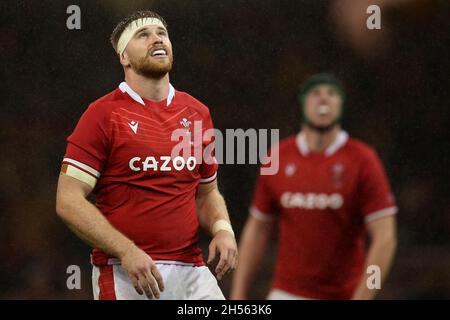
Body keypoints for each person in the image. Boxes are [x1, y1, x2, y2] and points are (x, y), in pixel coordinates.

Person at [55, 10, 237, 300]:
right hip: (127, 272)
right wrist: (125, 250)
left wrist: (223, 229)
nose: (157, 39)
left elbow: (207, 192)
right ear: (124, 57)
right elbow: (67, 200)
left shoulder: (197, 113)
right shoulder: (103, 114)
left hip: (193, 272)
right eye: (143, 35)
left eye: (161, 33)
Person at [231, 73, 397, 300]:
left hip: (345, 295)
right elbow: (257, 229)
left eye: (332, 94)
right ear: (302, 103)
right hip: (286, 294)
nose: (324, 99)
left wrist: (364, 295)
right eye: (315, 93)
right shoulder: (277, 157)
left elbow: (385, 238)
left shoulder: (363, 160)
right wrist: (238, 294)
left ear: (341, 104)